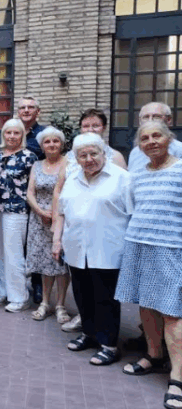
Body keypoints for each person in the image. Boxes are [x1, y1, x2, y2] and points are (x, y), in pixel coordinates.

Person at [115, 121, 182, 409]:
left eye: (157, 136)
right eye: (145, 138)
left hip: (172, 248)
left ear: (169, 139)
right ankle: (154, 356)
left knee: (172, 312)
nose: (151, 141)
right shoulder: (138, 173)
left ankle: (178, 377)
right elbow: (133, 209)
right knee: (145, 304)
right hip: (138, 244)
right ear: (139, 146)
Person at [52, 133, 132, 367]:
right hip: (76, 248)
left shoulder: (122, 178)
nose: (88, 159)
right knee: (82, 293)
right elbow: (62, 212)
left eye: (93, 153)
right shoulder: (73, 178)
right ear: (76, 158)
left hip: (108, 248)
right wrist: (57, 240)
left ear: (103, 153)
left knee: (105, 297)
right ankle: (89, 333)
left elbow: (133, 214)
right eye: (83, 155)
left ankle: (109, 345)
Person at [25, 127, 71, 323]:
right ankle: (45, 302)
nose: (52, 144)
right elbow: (30, 192)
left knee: (61, 264)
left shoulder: (69, 163)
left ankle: (60, 305)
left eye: (55, 141)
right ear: (42, 146)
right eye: (47, 142)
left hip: (62, 218)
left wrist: (54, 214)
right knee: (45, 263)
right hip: (39, 219)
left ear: (61, 144)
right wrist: (40, 211)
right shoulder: (36, 165)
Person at [0, 118, 37, 312]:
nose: (12, 136)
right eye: (8, 132)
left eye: (16, 132)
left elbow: (33, 187)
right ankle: (3, 291)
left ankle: (19, 297)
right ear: (3, 134)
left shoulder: (29, 157)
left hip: (17, 210)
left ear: (22, 135)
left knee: (14, 253)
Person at [17, 95, 45, 304]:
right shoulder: (13, 131)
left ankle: (38, 285)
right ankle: (17, 285)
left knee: (36, 242)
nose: (26, 110)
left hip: (38, 196)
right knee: (18, 242)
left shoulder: (43, 134)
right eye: (22, 107)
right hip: (15, 197)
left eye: (30, 107)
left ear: (38, 111)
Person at [128, 102, 182, 174]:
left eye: (156, 117)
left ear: (168, 120)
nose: (150, 120)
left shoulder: (179, 149)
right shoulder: (135, 152)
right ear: (140, 121)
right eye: (146, 117)